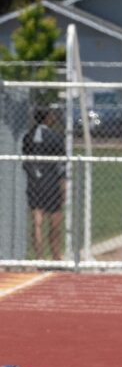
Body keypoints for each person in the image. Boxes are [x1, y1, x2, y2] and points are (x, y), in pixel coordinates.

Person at [21, 105, 65, 260]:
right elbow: (61, 166)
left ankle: (39, 257)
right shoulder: (56, 137)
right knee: (54, 222)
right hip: (51, 181)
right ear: (48, 117)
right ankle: (56, 256)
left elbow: (26, 160)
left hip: (35, 182)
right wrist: (63, 188)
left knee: (37, 221)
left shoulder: (28, 136)